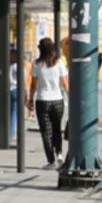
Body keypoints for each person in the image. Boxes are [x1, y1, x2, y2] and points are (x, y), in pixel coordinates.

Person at [27, 37, 69, 170]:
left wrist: (30, 100)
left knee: (46, 132)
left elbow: (34, 85)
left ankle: (51, 161)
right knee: (57, 129)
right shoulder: (59, 62)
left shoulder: (36, 64)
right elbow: (65, 84)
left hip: (42, 101)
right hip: (58, 101)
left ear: (41, 49)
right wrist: (71, 98)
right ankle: (60, 156)